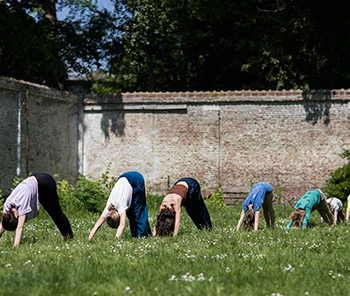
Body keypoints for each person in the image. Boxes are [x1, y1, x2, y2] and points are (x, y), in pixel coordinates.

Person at [0, 173, 73, 246]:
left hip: (45, 183)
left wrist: (15, 247)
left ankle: (69, 238)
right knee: (53, 212)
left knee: (55, 212)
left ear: (17, 216)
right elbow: (2, 225)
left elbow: (20, 227)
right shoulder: (7, 206)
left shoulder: (22, 204)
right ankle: (68, 238)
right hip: (35, 179)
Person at [89, 171, 152, 240]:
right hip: (123, 178)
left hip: (136, 179)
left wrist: (115, 240)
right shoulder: (108, 207)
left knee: (138, 211)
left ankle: (142, 235)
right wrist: (89, 238)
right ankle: (136, 235)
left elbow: (122, 225)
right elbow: (97, 225)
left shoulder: (121, 206)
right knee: (130, 213)